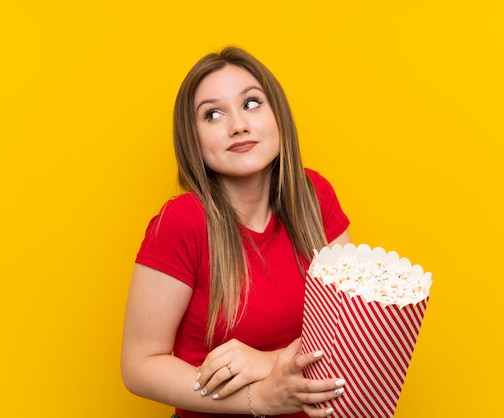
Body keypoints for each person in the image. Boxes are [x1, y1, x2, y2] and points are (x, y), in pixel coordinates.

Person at [121, 46, 352, 418]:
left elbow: (355, 329)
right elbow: (139, 365)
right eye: (213, 115)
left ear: (278, 116)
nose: (238, 125)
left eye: (251, 103)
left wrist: (265, 363)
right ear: (192, 140)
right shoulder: (183, 221)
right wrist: (258, 398)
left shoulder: (313, 197)